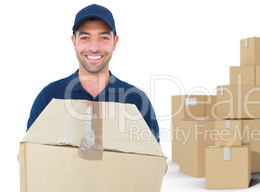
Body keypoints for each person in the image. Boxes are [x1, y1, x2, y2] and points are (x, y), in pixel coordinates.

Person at [22, 4, 167, 173]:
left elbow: (159, 165)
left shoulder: (135, 100)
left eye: (104, 37)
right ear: (74, 42)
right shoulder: (50, 96)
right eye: (85, 37)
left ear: (115, 42)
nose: (94, 47)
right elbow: (25, 155)